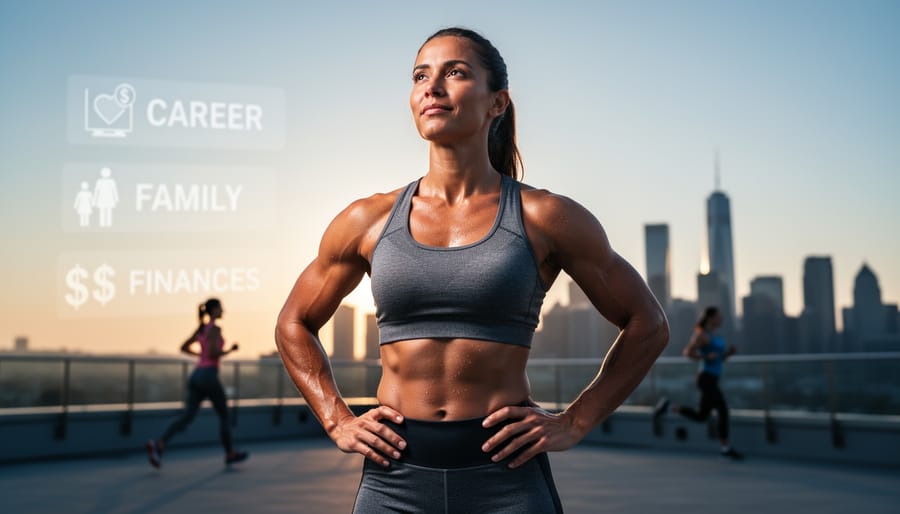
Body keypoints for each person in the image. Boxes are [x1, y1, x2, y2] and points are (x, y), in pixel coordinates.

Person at [275, 27, 669, 513]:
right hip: (393, 478)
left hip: (507, 479)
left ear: (496, 102)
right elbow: (293, 322)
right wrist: (336, 418)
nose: (432, 87)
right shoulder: (368, 219)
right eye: (421, 75)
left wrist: (576, 420)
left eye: (455, 73)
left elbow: (648, 324)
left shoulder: (544, 217)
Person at [146, 298, 249, 468]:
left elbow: (184, 347)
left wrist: (200, 358)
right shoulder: (215, 329)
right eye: (221, 307)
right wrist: (230, 350)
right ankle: (230, 453)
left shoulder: (201, 329)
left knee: (187, 416)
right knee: (224, 415)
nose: (223, 310)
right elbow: (213, 352)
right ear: (215, 310)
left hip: (196, 375)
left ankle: (159, 445)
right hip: (208, 375)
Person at [654, 306, 743, 460]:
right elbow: (687, 352)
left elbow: (718, 359)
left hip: (713, 378)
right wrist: (705, 358)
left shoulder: (715, 334)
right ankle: (725, 448)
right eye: (718, 316)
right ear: (710, 318)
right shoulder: (702, 335)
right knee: (723, 409)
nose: (721, 319)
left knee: (701, 416)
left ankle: (668, 406)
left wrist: (729, 353)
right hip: (705, 378)